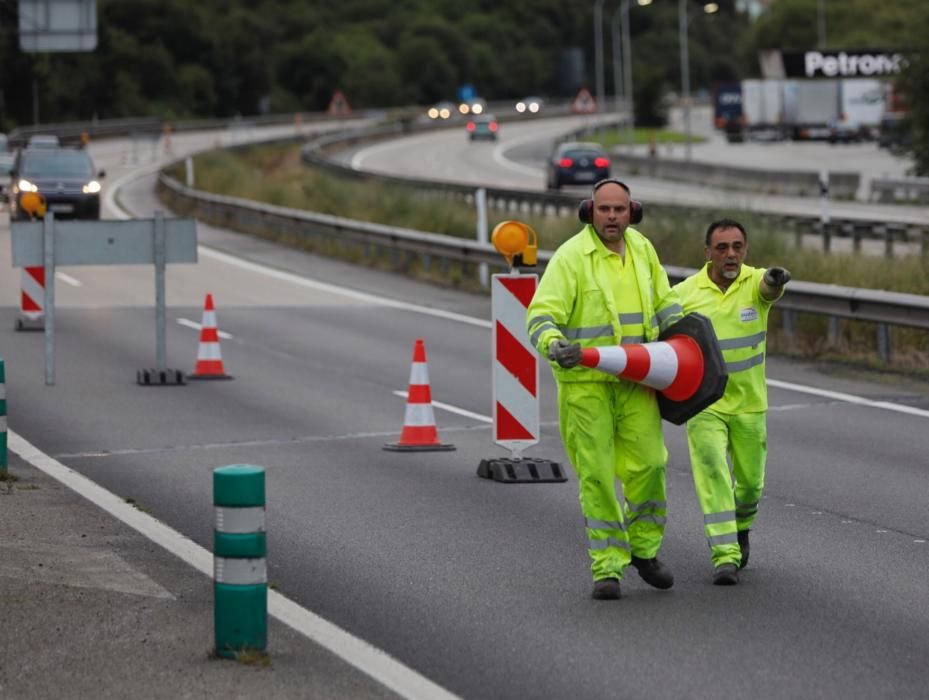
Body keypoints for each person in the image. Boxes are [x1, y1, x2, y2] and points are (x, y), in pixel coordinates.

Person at [526, 179, 684, 600]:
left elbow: (666, 303)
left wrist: (687, 339)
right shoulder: (571, 258)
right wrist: (552, 343)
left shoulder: (643, 250)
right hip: (586, 386)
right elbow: (541, 314)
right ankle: (608, 567)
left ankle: (644, 552)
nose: (612, 217)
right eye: (604, 210)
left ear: (633, 211)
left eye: (619, 209)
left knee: (650, 466)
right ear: (589, 212)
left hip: (637, 382)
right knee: (596, 477)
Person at [673, 218, 791, 586]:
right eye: (722, 248)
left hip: (750, 404)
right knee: (713, 473)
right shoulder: (684, 295)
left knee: (752, 485)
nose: (730, 254)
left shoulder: (754, 282)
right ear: (707, 252)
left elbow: (769, 290)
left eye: (737, 247)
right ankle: (724, 555)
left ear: (746, 250)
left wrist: (775, 279)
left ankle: (741, 529)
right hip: (705, 404)